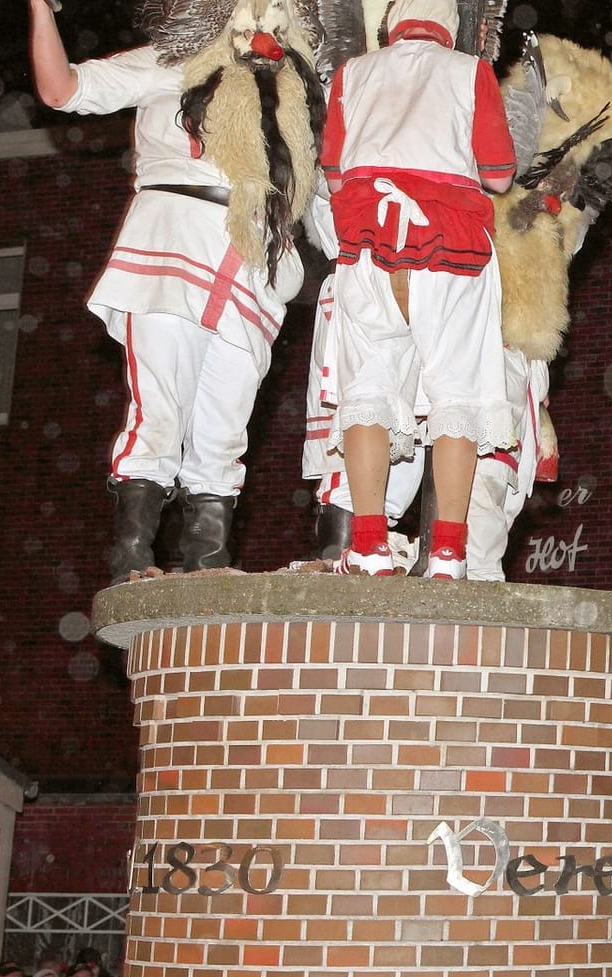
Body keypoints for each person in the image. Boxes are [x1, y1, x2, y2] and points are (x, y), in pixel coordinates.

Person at [29, 0, 322, 583]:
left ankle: (207, 562)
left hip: (254, 258)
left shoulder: (298, 88)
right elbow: (63, 90)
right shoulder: (171, 62)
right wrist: (39, 7)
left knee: (226, 423)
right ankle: (133, 555)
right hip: (171, 243)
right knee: (159, 409)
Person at [317, 0, 518, 579]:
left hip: (369, 243)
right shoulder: (468, 72)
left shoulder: (352, 73)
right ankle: (449, 554)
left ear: (391, 24)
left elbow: (333, 174)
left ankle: (371, 545)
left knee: (369, 389)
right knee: (457, 395)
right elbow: (500, 175)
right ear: (451, 28)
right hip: (449, 245)